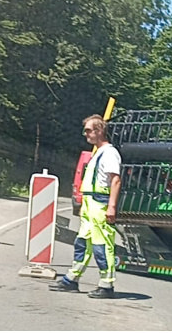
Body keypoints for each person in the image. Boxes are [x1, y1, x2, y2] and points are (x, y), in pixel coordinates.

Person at [50, 114, 122, 298]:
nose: (86, 134)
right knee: (82, 242)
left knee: (101, 245)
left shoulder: (109, 153)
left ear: (99, 131)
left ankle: (106, 286)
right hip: (91, 203)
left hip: (100, 203)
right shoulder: (98, 152)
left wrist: (111, 206)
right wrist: (84, 204)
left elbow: (115, 180)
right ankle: (71, 279)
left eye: (89, 130)